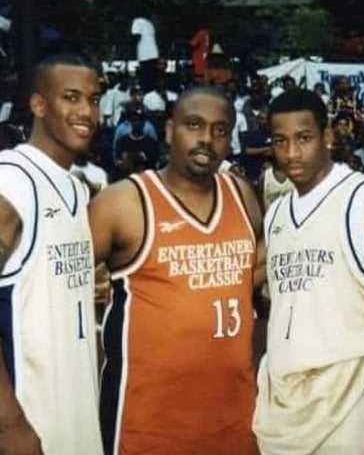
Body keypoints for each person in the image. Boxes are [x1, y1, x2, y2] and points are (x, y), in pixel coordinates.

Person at [0, 54, 104, 455]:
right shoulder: (6, 187)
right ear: (38, 105)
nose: (86, 111)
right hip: (10, 410)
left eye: (94, 99)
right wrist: (10, 421)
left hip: (64, 400)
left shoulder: (76, 188)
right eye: (71, 97)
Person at [89, 86, 262, 455]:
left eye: (219, 130)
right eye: (194, 125)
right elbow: (57, 280)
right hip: (147, 421)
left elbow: (255, 272)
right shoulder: (123, 202)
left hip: (233, 416)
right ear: (168, 131)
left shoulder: (242, 195)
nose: (206, 139)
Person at [253, 89, 364, 455]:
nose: (292, 153)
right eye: (281, 141)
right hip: (282, 408)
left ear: (328, 136)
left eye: (304, 138)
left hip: (349, 404)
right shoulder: (278, 214)